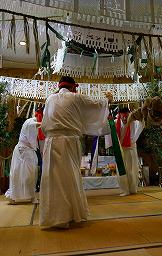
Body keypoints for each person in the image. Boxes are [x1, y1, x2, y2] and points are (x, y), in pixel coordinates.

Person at [40, 76, 112, 229]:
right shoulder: (76, 97)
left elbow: (44, 124)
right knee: (70, 176)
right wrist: (107, 100)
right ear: (73, 87)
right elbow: (97, 105)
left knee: (52, 178)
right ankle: (70, 214)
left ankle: (54, 217)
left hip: (51, 141)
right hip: (69, 141)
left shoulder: (50, 99)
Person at [106, 107, 144, 196]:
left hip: (131, 149)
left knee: (131, 170)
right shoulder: (116, 122)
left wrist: (140, 116)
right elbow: (107, 128)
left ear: (129, 115)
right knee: (121, 170)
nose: (124, 119)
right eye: (122, 117)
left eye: (126, 116)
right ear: (119, 115)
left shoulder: (134, 122)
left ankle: (133, 189)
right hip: (121, 150)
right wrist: (109, 120)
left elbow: (142, 124)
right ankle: (125, 189)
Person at [5, 112, 41, 203]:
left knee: (30, 174)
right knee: (18, 173)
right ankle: (14, 197)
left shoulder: (30, 122)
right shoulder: (30, 122)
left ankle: (30, 196)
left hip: (26, 151)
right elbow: (35, 125)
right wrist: (47, 123)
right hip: (23, 151)